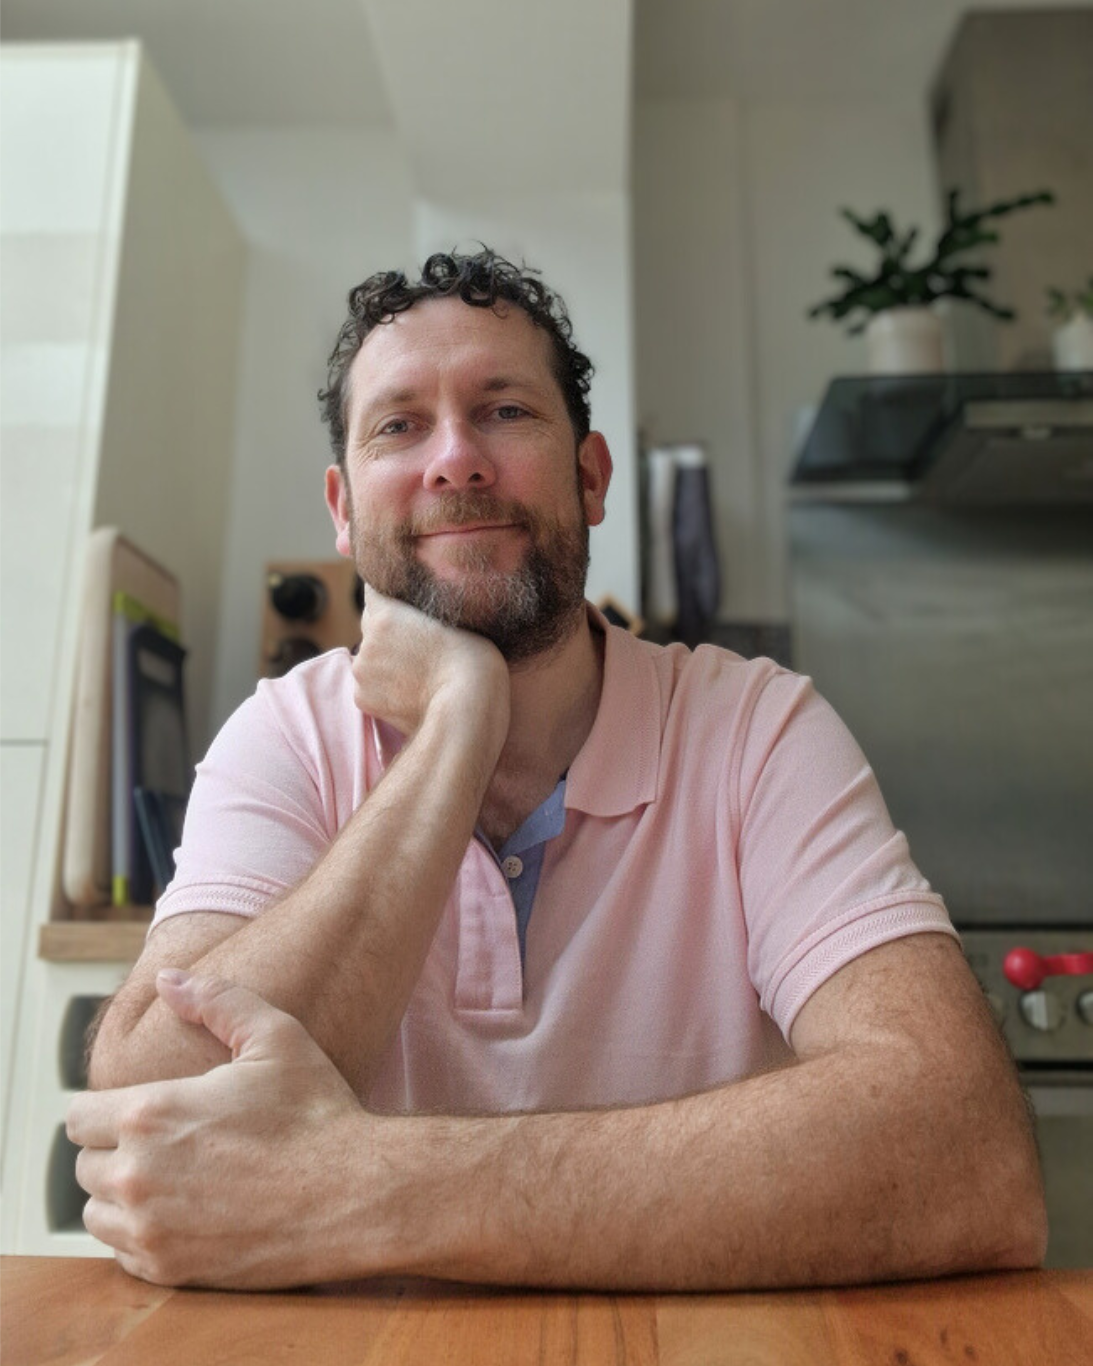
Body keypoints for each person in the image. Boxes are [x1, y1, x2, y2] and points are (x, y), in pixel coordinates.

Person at [68, 249, 1047, 1291]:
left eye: (503, 411)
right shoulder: (287, 737)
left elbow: (966, 1151)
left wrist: (363, 1186)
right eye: (399, 425)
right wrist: (458, 728)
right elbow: (152, 1117)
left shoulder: (756, 730)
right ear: (342, 508)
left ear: (589, 477)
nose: (456, 461)